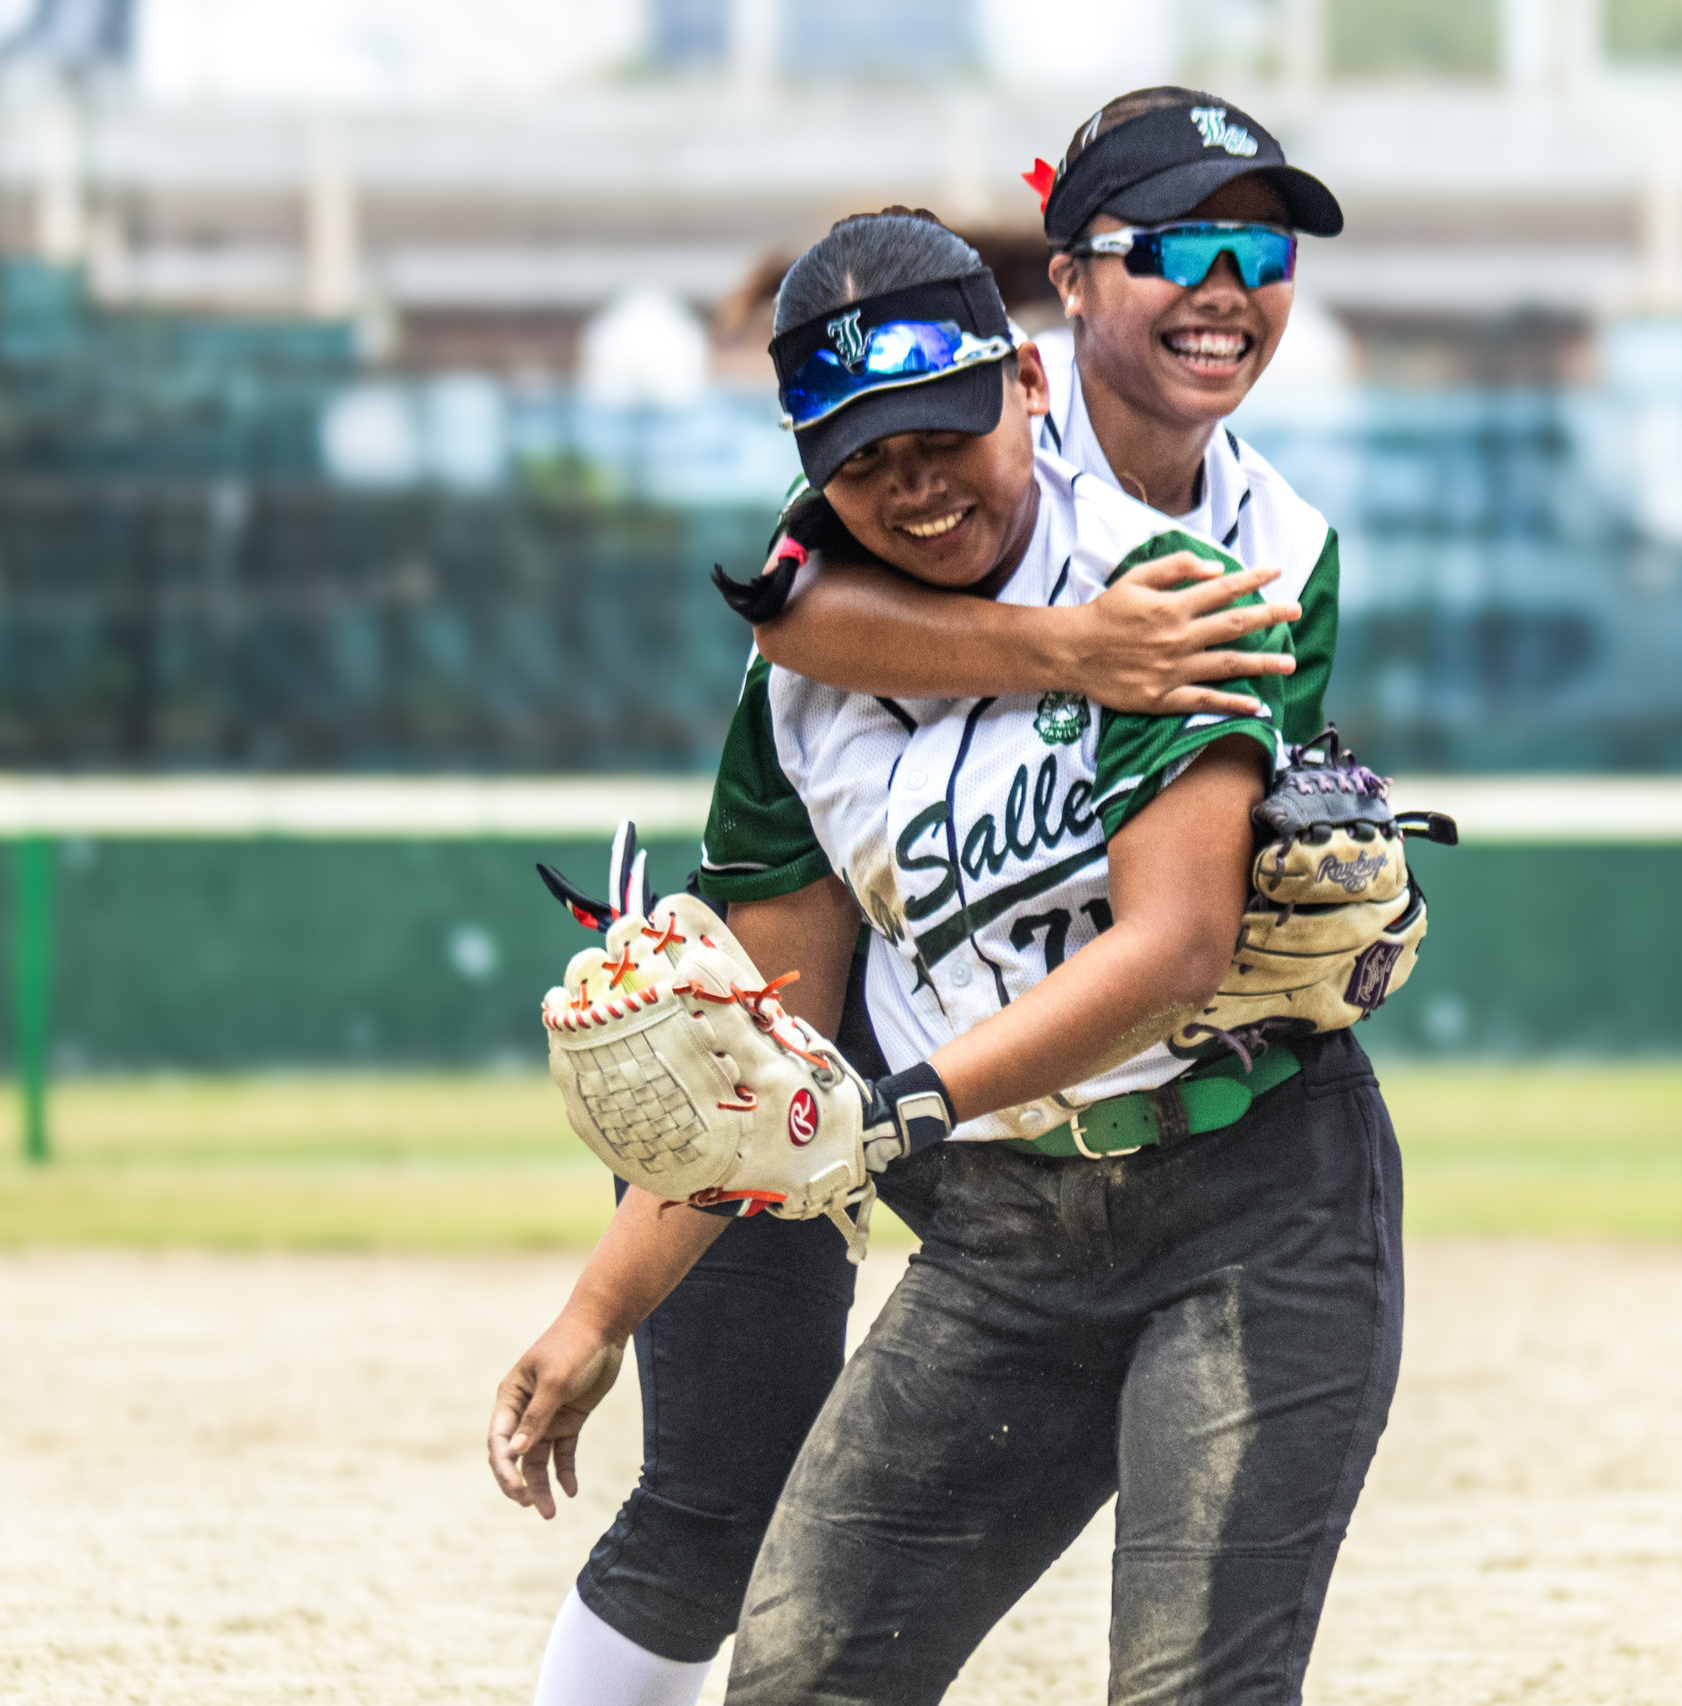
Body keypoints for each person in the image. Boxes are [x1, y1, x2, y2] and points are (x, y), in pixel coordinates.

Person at [492, 91, 1376, 1706]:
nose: (911, 487)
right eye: (863, 460)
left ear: (1022, 389)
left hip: (1240, 1198)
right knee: (787, 1647)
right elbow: (776, 1031)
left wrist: (893, 1109)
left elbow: (1176, 943)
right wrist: (592, 1313)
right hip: (1003, 1234)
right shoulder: (812, 655)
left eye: (1254, 249)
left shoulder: (1205, 561)